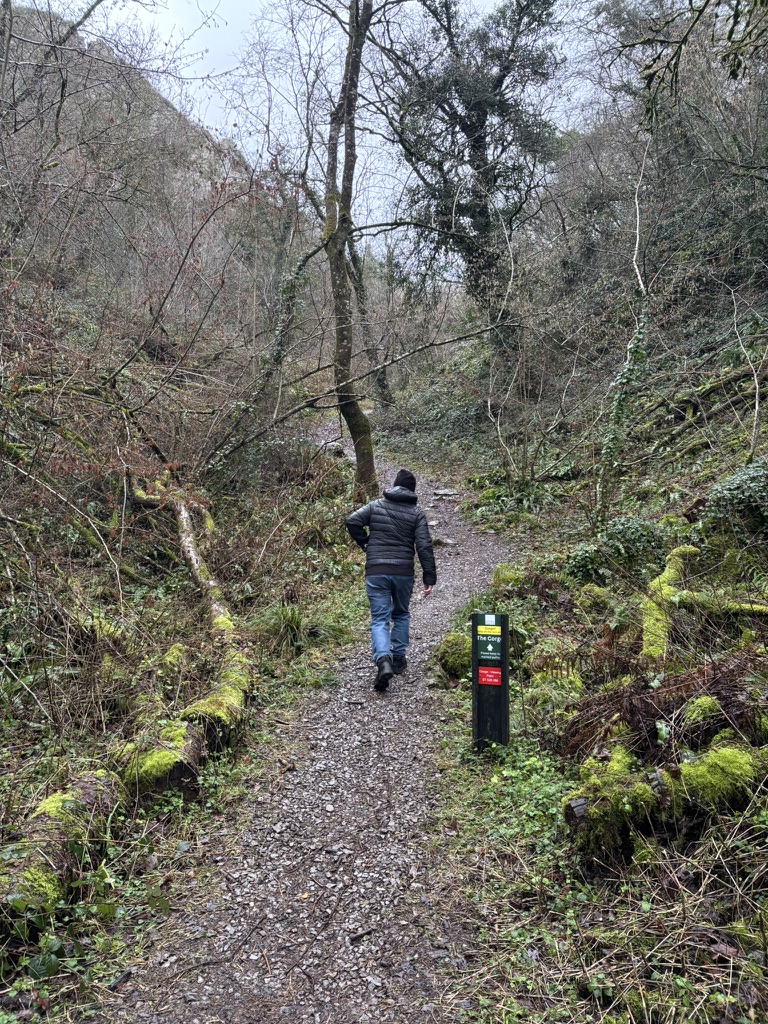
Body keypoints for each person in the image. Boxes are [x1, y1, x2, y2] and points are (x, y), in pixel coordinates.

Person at [346, 469, 437, 692]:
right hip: (404, 572)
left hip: (376, 570)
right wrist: (429, 576)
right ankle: (398, 658)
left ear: (394, 485)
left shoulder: (375, 506)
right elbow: (424, 546)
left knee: (379, 619)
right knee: (401, 613)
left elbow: (352, 521)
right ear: (412, 491)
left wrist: (366, 543)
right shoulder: (416, 514)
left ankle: (383, 659)